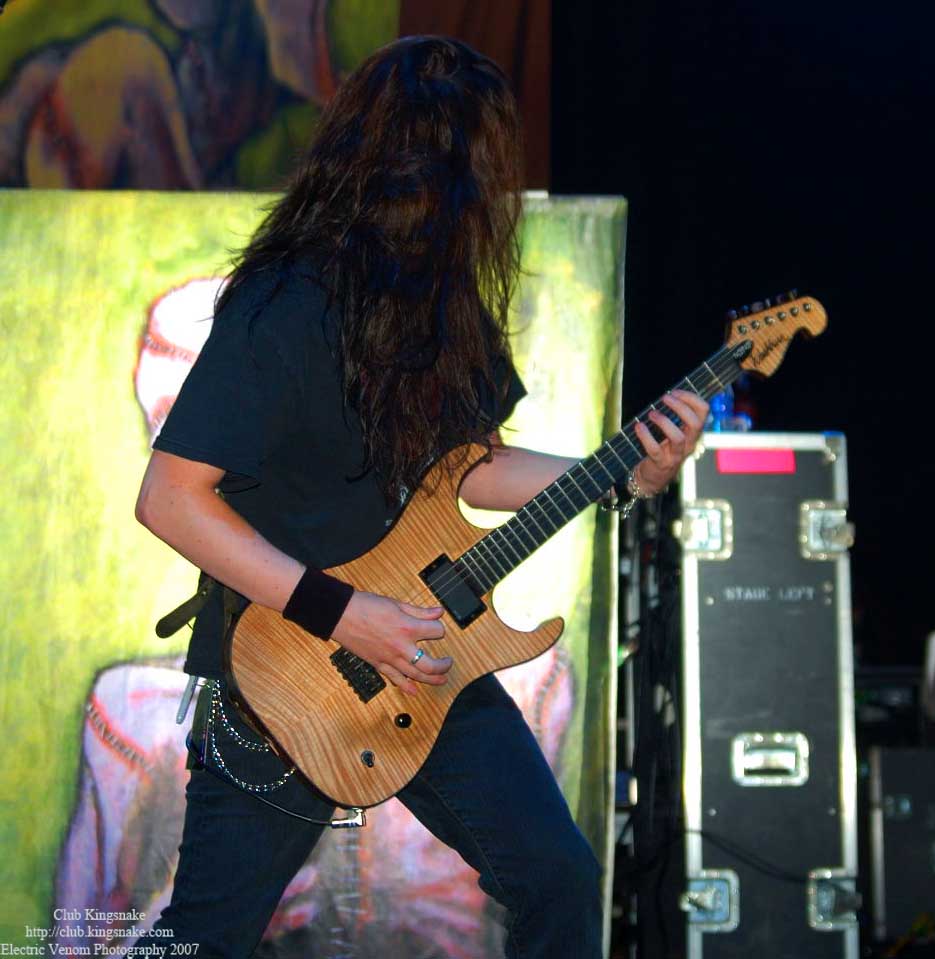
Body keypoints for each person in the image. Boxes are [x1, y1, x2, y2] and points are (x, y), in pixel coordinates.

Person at [135, 35, 708, 958]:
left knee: (559, 877)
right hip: (290, 671)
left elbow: (469, 468)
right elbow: (170, 498)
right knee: (203, 939)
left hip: (425, 658)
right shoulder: (283, 302)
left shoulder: (444, 305)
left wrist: (626, 471)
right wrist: (343, 612)